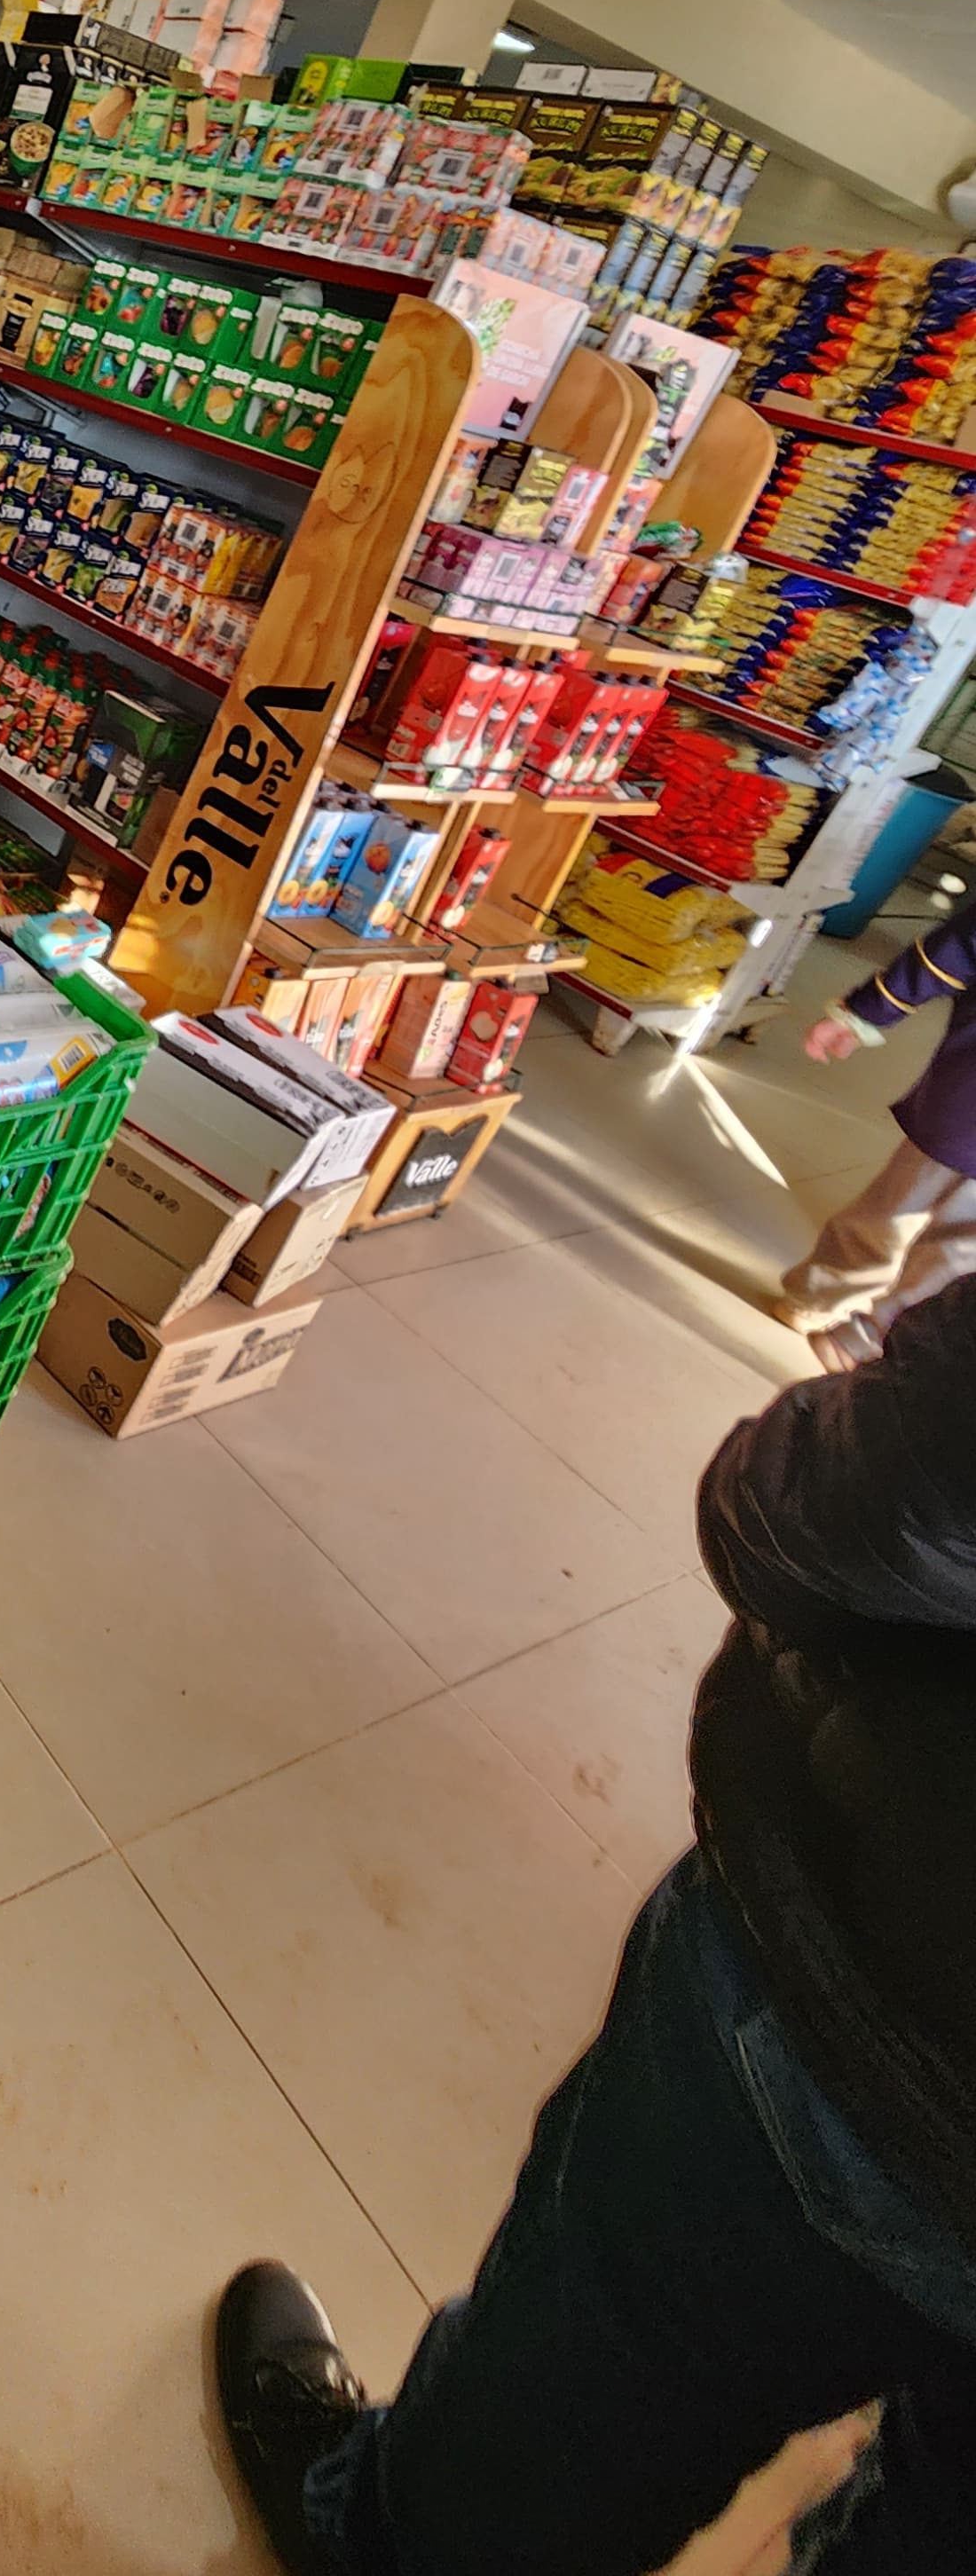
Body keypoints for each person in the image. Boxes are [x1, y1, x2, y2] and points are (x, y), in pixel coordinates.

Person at [210, 1272, 976, 2573]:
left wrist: (787, 1461)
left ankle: (380, 2540)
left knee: (593, 2394)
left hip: (889, 2035)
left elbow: (841, 1509)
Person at [778, 893, 976, 1367]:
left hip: (961, 1104)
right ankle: (863, 1338)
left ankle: (815, 1294)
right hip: (963, 1104)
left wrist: (864, 1013)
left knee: (894, 1207)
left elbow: (948, 952)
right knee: (957, 1251)